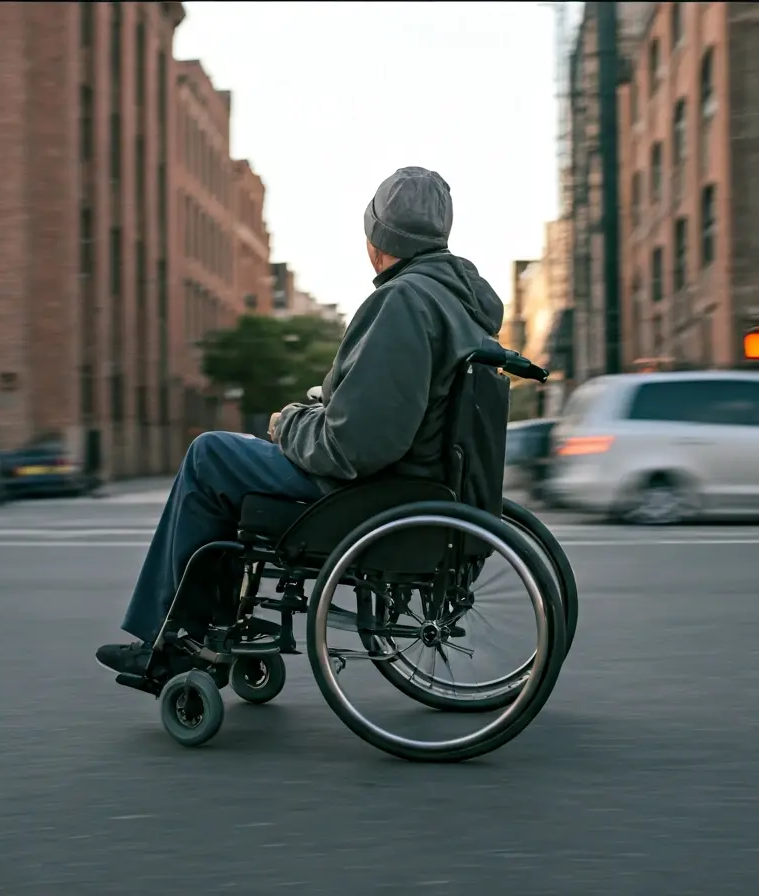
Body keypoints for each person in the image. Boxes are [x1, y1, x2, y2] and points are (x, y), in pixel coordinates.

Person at [95, 166, 506, 680]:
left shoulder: (403, 300)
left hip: (369, 488)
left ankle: (175, 638)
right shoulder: (459, 304)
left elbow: (358, 444)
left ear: (377, 238)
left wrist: (288, 423)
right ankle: (204, 631)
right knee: (231, 466)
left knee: (211, 456)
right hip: (418, 480)